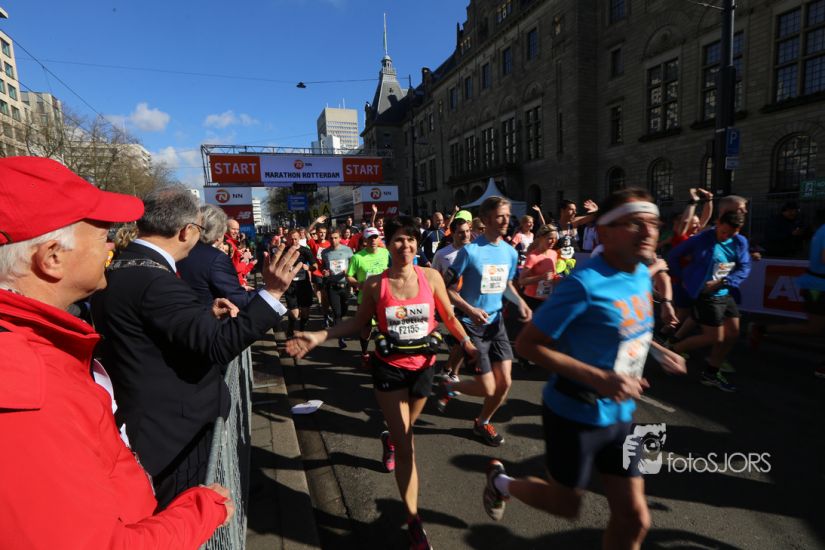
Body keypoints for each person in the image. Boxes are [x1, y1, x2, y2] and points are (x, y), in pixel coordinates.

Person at [0, 157, 235, 548]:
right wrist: (202, 510)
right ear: (52, 257)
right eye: (101, 234)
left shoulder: (32, 350)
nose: (112, 244)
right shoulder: (24, 384)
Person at [483, 188, 686, 550]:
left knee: (635, 519)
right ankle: (501, 484)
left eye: (653, 223)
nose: (648, 232)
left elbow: (628, 328)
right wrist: (600, 378)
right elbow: (528, 345)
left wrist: (656, 352)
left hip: (622, 415)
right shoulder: (584, 283)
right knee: (566, 506)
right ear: (604, 232)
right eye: (634, 223)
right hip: (573, 414)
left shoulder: (641, 273)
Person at [92, 186, 301, 508]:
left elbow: (151, 330)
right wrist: (272, 293)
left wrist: (203, 315)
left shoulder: (125, 266)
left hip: (151, 419)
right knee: (189, 513)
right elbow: (218, 346)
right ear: (187, 231)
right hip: (178, 432)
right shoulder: (155, 281)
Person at [286, 216, 478, 550]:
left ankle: (389, 438)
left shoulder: (430, 277)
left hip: (424, 368)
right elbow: (358, 323)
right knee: (408, 445)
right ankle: (414, 520)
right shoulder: (376, 285)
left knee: (403, 431)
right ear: (388, 245)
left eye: (411, 239)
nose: (406, 245)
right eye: (399, 240)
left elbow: (448, 317)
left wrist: (468, 343)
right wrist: (319, 335)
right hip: (389, 370)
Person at [437, 196, 532, 446]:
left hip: (496, 324)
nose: (506, 220)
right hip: (473, 326)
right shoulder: (470, 252)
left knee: (505, 383)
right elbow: (447, 289)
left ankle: (482, 422)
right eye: (500, 216)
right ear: (487, 219)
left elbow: (507, 284)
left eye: (508, 216)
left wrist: (520, 301)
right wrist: (470, 310)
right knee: (489, 387)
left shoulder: (509, 252)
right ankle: (450, 387)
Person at [667, 210, 751, 391]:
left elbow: (744, 267)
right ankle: (672, 351)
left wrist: (725, 281)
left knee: (732, 334)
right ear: (718, 223)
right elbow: (673, 256)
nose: (726, 236)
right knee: (714, 337)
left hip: (725, 291)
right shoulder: (702, 239)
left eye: (732, 234)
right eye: (724, 232)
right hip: (705, 294)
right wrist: (683, 278)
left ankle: (711, 373)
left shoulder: (740, 241)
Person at [750, 211, 825, 377]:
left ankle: (761, 329)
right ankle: (761, 328)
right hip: (819, 287)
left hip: (817, 284)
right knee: (814, 327)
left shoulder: (821, 230)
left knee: (814, 328)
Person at [178, 204, 256, 308]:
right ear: (218, 233)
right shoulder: (217, 258)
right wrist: (269, 291)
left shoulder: (179, 251)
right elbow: (239, 300)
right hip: (208, 314)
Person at [432, 216, 474, 381]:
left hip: (470, 302)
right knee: (463, 338)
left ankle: (449, 369)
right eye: (461, 232)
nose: (466, 235)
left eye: (468, 231)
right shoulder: (442, 254)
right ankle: (452, 372)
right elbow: (434, 278)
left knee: (463, 339)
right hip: (450, 303)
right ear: (453, 234)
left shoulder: (475, 250)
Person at [347, 226, 391, 367]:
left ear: (379, 239)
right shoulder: (357, 257)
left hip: (384, 297)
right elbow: (349, 276)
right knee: (366, 328)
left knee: (386, 327)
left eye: (375, 237)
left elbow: (393, 269)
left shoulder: (385, 253)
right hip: (365, 299)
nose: (373, 240)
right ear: (365, 240)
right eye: (370, 238)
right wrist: (358, 284)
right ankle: (365, 353)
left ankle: (384, 353)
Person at [321, 227, 354, 349]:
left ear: (340, 238)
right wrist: (325, 272)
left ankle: (337, 323)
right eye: (331, 238)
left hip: (344, 285)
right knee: (337, 313)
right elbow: (323, 267)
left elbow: (353, 265)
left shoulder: (347, 250)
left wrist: (348, 271)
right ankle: (341, 337)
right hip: (332, 286)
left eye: (335, 238)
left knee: (344, 310)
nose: (333, 240)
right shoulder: (325, 252)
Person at [282, 228, 318, 337]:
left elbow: (315, 266)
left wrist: (309, 268)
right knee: (295, 312)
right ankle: (291, 327)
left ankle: (301, 331)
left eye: (296, 239)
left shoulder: (305, 250)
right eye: (291, 239)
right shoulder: (284, 251)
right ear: (288, 239)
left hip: (303, 284)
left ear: (299, 238)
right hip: (290, 285)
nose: (293, 241)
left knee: (305, 312)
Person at [518, 225, 560, 310]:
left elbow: (552, 274)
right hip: (532, 300)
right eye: (550, 238)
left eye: (555, 238)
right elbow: (521, 281)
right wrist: (541, 277)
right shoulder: (533, 257)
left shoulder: (554, 253)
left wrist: (557, 278)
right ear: (541, 238)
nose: (553, 241)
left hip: (547, 298)